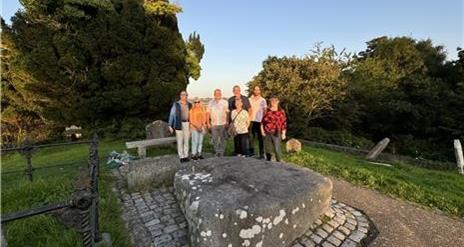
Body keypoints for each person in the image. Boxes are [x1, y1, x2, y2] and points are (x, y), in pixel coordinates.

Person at [261, 95, 287, 162]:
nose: (273, 102)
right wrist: (262, 130)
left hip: (277, 132)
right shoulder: (266, 110)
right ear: (270, 101)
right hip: (267, 131)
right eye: (272, 101)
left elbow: (284, 122)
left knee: (277, 148)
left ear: (278, 101)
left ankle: (279, 161)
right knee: (268, 148)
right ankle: (268, 161)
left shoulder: (281, 111)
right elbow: (262, 121)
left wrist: (284, 133)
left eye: (275, 101)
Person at [168, 90, 192, 163]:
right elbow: (172, 115)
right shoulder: (176, 104)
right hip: (178, 123)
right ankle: (181, 156)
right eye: (182, 95)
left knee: (186, 141)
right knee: (180, 141)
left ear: (187, 96)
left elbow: (192, 115)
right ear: (180, 96)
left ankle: (186, 155)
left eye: (185, 95)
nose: (183, 96)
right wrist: (170, 125)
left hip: (187, 124)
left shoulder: (189, 104)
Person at [228, 85, 251, 154]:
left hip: (243, 126)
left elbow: (250, 109)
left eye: (237, 90)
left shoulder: (245, 98)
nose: (236, 91)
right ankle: (237, 154)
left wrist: (247, 124)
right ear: (233, 91)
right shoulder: (230, 99)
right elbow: (229, 112)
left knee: (244, 143)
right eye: (235, 90)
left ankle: (244, 154)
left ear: (240, 90)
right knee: (236, 142)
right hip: (235, 127)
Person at [207, 89, 229, 157]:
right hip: (214, 124)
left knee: (223, 139)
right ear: (214, 94)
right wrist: (208, 122)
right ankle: (217, 152)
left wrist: (227, 121)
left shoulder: (225, 102)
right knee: (215, 139)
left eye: (219, 93)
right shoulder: (210, 102)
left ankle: (222, 152)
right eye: (216, 93)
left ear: (221, 94)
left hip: (223, 123)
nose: (218, 95)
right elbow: (207, 113)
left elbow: (227, 112)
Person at [248, 85, 267, 159]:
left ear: (260, 91)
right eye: (255, 90)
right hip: (251, 120)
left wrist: (264, 121)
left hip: (260, 121)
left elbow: (265, 111)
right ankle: (251, 152)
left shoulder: (263, 100)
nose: (256, 91)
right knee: (251, 137)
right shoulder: (249, 99)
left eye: (258, 90)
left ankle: (261, 154)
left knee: (260, 138)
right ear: (253, 91)